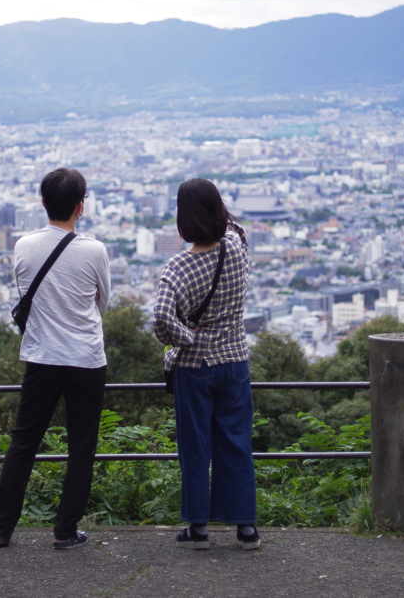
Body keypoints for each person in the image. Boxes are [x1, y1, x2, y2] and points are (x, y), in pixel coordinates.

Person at [0, 168, 111, 550]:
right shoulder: (94, 250)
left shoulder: (24, 245)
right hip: (86, 358)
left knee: (24, 443)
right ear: (80, 206)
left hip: (42, 356)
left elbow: (27, 293)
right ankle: (65, 531)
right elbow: (103, 303)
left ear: (43, 203)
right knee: (81, 447)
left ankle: (2, 529)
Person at [153, 178, 260, 551]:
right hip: (235, 361)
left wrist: (188, 337)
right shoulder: (236, 244)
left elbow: (162, 318)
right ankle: (246, 528)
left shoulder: (179, 267)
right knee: (236, 442)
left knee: (195, 446)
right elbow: (233, 225)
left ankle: (198, 528)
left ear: (183, 217)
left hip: (195, 368)